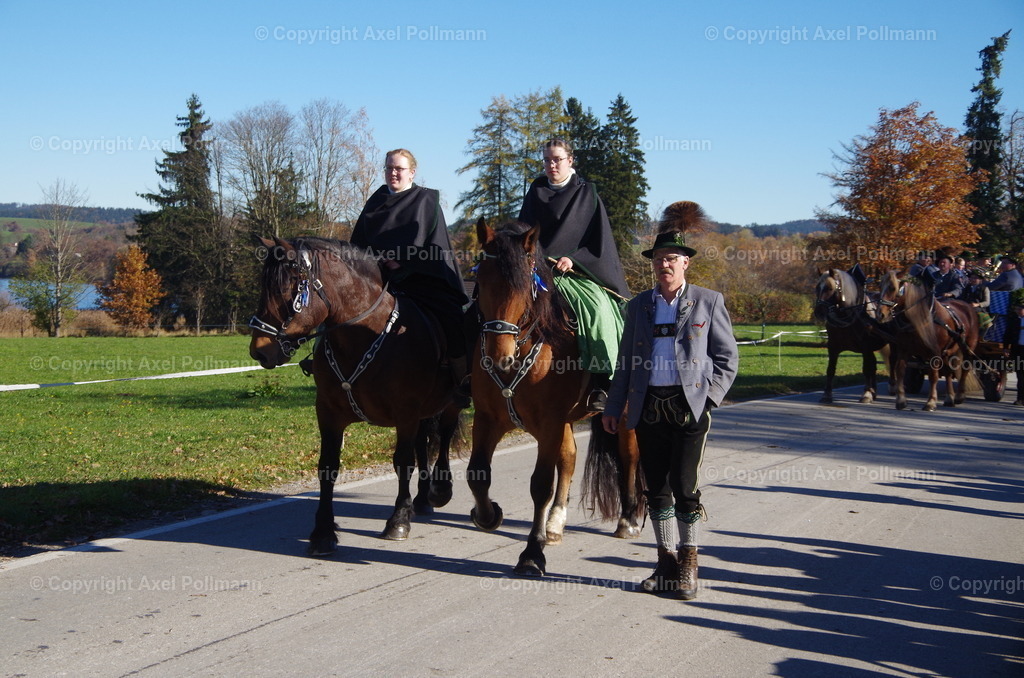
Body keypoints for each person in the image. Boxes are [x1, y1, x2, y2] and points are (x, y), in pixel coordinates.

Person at [601, 201, 739, 601]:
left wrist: (708, 397)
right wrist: (614, 408)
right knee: (656, 489)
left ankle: (689, 564)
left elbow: (728, 360)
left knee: (684, 485)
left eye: (673, 259)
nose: (666, 265)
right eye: (660, 259)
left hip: (688, 407)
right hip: (647, 407)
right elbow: (625, 363)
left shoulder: (709, 302)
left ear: (686, 263)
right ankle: (664, 564)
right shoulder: (638, 306)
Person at [518, 139, 631, 412]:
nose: (551, 165)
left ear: (571, 160)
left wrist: (575, 259)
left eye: (556, 159)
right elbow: (525, 231)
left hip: (576, 273)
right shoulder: (536, 191)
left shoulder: (587, 193)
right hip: (538, 270)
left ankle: (603, 381)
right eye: (546, 160)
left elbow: (599, 243)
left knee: (597, 310)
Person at [348, 148, 470, 396]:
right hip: (377, 280)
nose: (393, 173)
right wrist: (374, 262)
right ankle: (330, 364)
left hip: (421, 279)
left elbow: (437, 248)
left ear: (412, 173)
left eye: (399, 169)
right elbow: (357, 246)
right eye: (389, 168)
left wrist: (404, 261)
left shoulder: (427, 201)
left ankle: (461, 376)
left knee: (451, 316)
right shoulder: (376, 201)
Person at [1002, 289, 1024, 406]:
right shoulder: (1014, 321)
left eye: (1020, 309)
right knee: (1020, 376)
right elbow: (1007, 335)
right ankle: (1020, 399)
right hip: (1019, 350)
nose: (1018, 311)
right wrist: (1006, 348)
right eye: (1017, 309)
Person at [962, 268, 993, 335]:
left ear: (980, 280)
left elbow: (987, 302)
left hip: (979, 309)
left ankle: (980, 334)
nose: (973, 280)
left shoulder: (984, 288)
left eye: (975, 278)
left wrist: (977, 304)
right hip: (966, 306)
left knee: (979, 315)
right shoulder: (967, 287)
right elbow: (962, 298)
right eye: (972, 278)